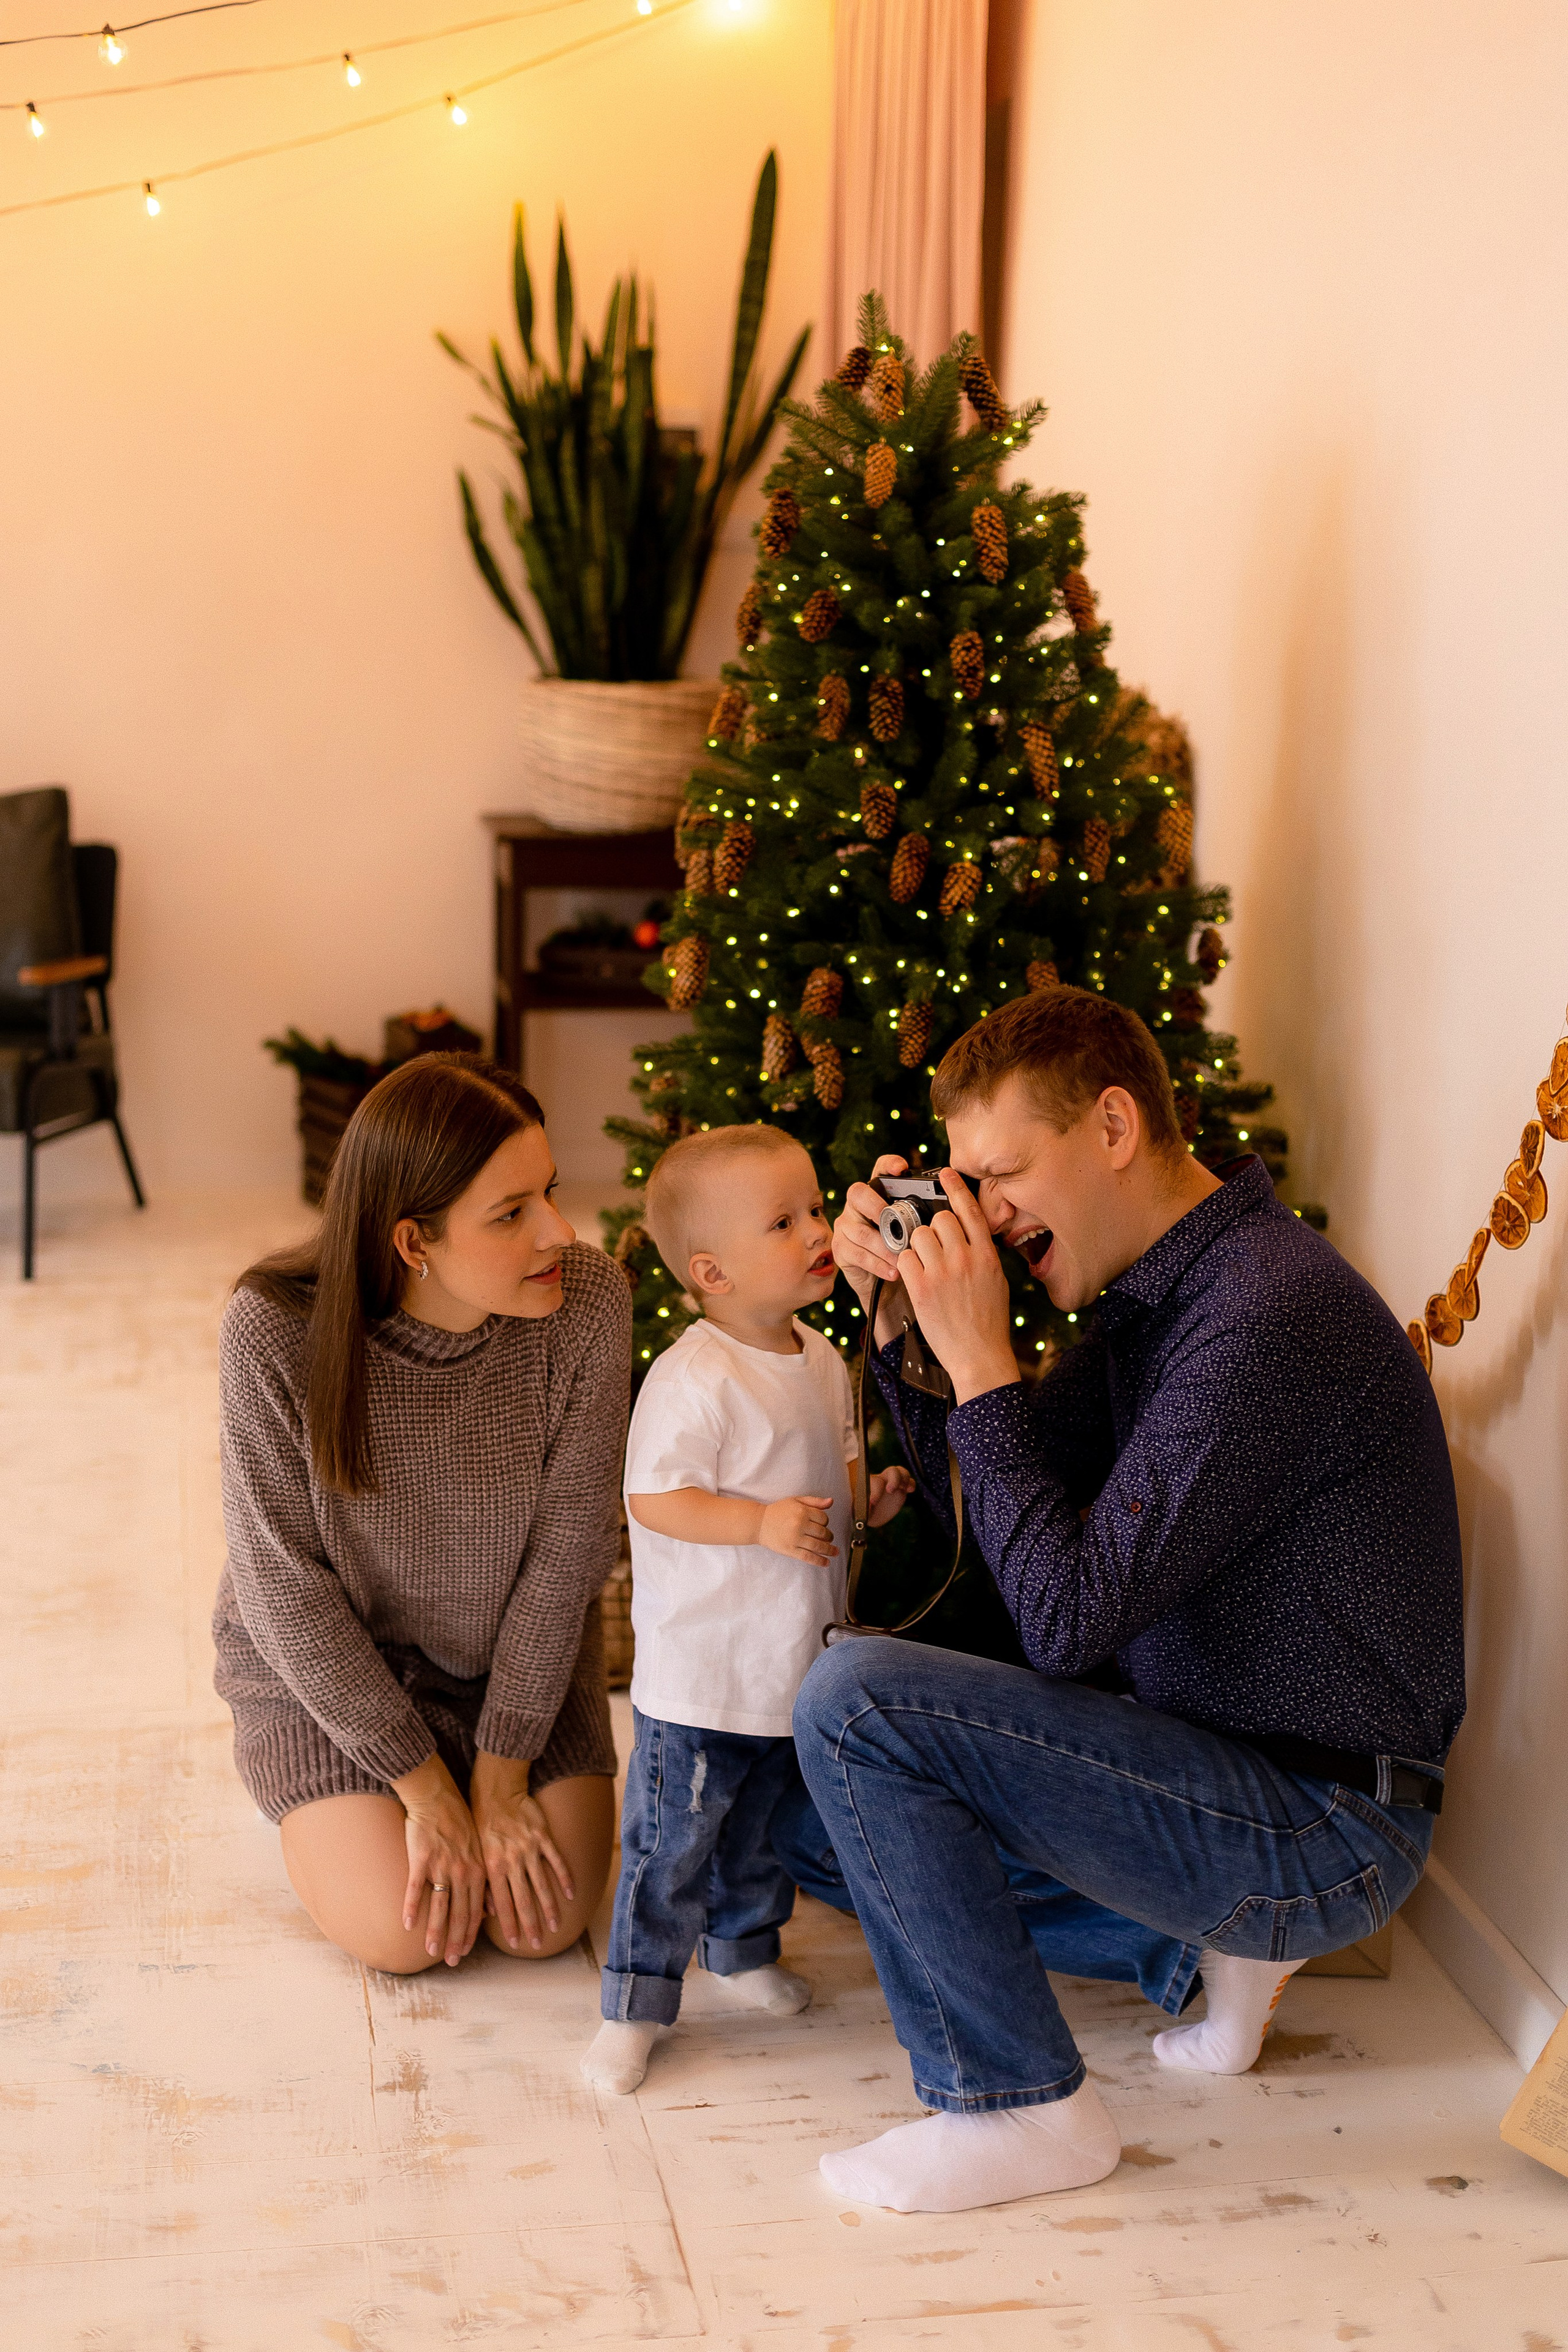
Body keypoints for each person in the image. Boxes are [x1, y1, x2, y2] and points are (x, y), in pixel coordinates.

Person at [787, 986, 1464, 2214]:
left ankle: (1019, 2109)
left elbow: (1061, 1620)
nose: (984, 1213)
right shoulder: (1156, 1300)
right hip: (1212, 1761)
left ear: (1110, 1127)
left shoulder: (1261, 1314)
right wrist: (901, 1326)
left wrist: (982, 1355)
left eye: (1000, 1174)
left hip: (1321, 1829)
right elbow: (1005, 1528)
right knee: (791, 1819)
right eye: (963, 1183)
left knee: (853, 1703)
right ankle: (1195, 1947)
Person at [214, 1053, 631, 1975]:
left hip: (512, 1661)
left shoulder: (587, 1305)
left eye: (550, 1191)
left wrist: (501, 1771)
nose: (562, 1231)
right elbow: (283, 1591)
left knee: (543, 1926)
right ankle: (336, 1808)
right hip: (331, 1675)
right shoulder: (274, 1329)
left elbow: (570, 1554)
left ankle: (459, 1780)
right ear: (415, 1243)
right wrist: (428, 1793)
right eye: (512, 1213)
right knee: (406, 1938)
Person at [582, 1125, 913, 2095]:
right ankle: (635, 2002)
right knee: (671, 1842)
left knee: (765, 1830)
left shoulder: (819, 1357)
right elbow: (656, 1498)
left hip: (793, 1664)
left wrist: (871, 1502)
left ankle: (742, 1951)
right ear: (712, 1272)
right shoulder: (696, 1378)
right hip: (705, 1673)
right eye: (786, 1222)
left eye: (816, 1209)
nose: (817, 1230)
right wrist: (761, 1523)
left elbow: (835, 1474)